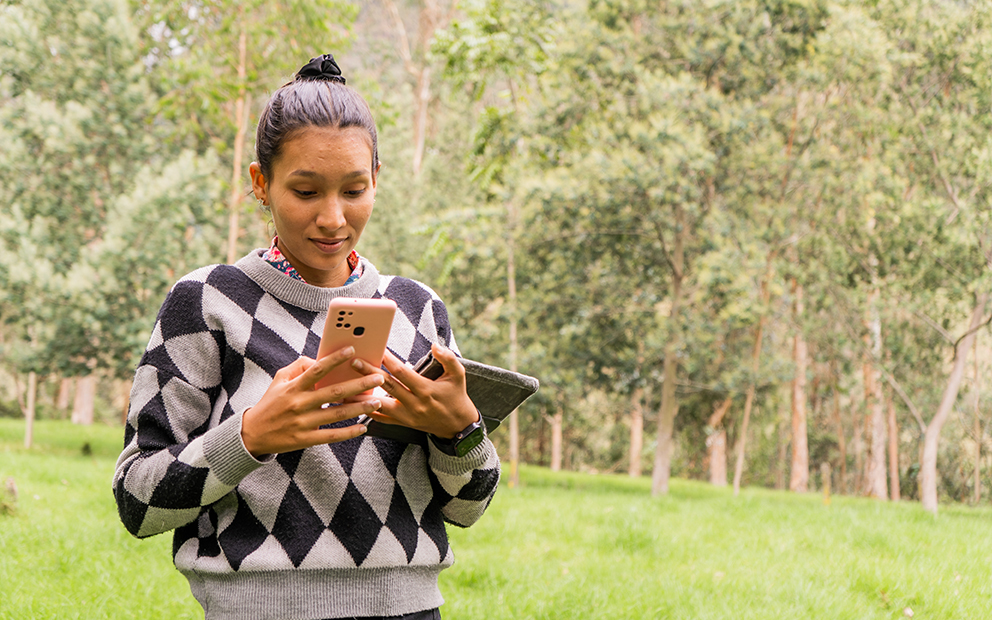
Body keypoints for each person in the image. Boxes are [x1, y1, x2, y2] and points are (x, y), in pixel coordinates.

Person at [113, 53, 500, 620]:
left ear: (376, 182)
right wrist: (250, 437)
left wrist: (460, 433)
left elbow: (468, 509)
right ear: (260, 184)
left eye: (354, 190)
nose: (333, 218)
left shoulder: (417, 309)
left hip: (409, 609)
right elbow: (136, 501)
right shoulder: (205, 303)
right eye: (306, 191)